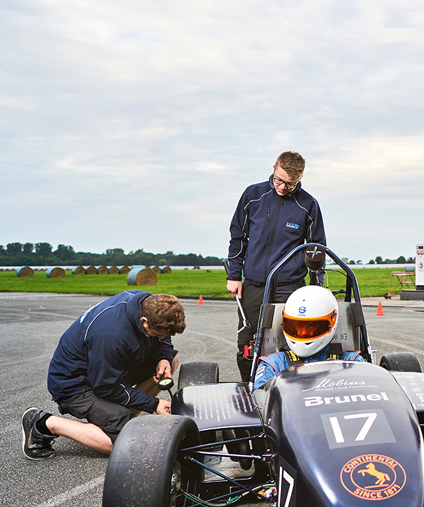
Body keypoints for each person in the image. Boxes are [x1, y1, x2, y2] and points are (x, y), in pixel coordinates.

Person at [21, 291, 186, 459]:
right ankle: (41, 423)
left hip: (107, 368)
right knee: (127, 441)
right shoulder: (110, 334)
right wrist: (153, 404)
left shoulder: (151, 303)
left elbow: (164, 339)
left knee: (172, 359)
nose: (162, 338)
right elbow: (106, 386)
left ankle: (118, 417)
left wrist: (163, 357)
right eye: (158, 334)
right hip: (76, 384)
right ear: (143, 321)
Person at [227, 151, 326, 381]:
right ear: (274, 168)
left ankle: (288, 390)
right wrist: (234, 275)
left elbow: (316, 249)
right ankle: (250, 387)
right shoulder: (253, 195)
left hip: (289, 288)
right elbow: (238, 236)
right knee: (247, 345)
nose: (282, 187)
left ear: (300, 179)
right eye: (279, 180)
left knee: (290, 344)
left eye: (290, 184)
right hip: (253, 285)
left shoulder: (308, 205)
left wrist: (316, 287)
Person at [252, 285, 363, 390]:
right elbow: (262, 401)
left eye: (311, 328)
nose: (302, 333)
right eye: (295, 327)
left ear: (331, 324)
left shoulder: (352, 362)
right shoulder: (273, 365)